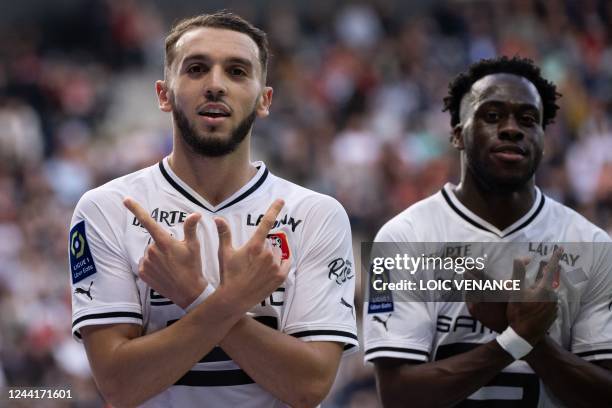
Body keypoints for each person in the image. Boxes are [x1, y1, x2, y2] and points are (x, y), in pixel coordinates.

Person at [68, 12, 357, 408]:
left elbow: (308, 386)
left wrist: (195, 295)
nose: (216, 85)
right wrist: (224, 303)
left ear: (264, 100)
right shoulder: (105, 209)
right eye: (197, 69)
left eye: (237, 72)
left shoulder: (317, 214)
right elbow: (119, 387)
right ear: (163, 94)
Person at [363, 56, 612, 407]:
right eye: (492, 116)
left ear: (543, 137)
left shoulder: (593, 245)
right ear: (457, 135)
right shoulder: (401, 239)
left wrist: (529, 339)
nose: (512, 129)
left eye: (528, 120)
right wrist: (517, 338)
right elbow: (397, 395)